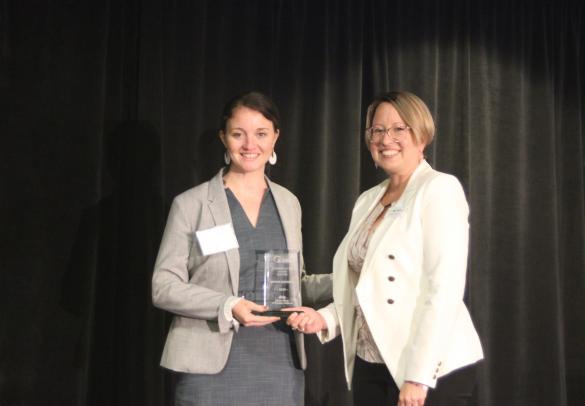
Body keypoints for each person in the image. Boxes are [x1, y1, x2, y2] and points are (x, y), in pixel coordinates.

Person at [286, 91, 484, 406]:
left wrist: (418, 376)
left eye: (398, 129)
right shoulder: (368, 199)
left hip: (429, 366)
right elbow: (366, 287)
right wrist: (326, 318)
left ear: (421, 136)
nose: (385, 139)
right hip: (372, 359)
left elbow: (445, 290)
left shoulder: (439, 189)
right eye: (377, 130)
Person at [152, 91, 332, 406]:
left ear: (276, 136)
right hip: (209, 369)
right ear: (224, 138)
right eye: (239, 134)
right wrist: (228, 304)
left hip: (279, 364)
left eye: (261, 134)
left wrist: (348, 278)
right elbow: (163, 286)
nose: (250, 145)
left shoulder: (289, 204)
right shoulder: (191, 204)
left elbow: (293, 284)